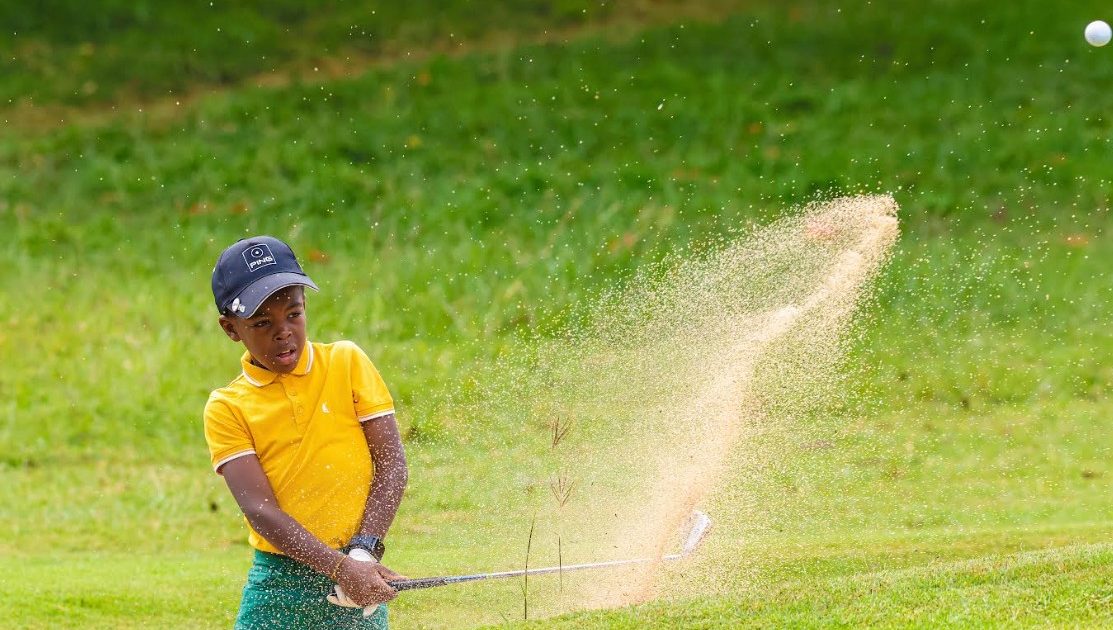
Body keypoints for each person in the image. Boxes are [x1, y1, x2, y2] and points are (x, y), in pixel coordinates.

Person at [203, 235, 408, 629]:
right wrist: (340, 568)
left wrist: (363, 553)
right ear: (231, 328)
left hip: (360, 566)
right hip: (279, 584)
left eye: (293, 314)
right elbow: (260, 510)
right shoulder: (227, 407)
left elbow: (391, 465)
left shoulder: (347, 362)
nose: (283, 332)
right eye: (262, 323)